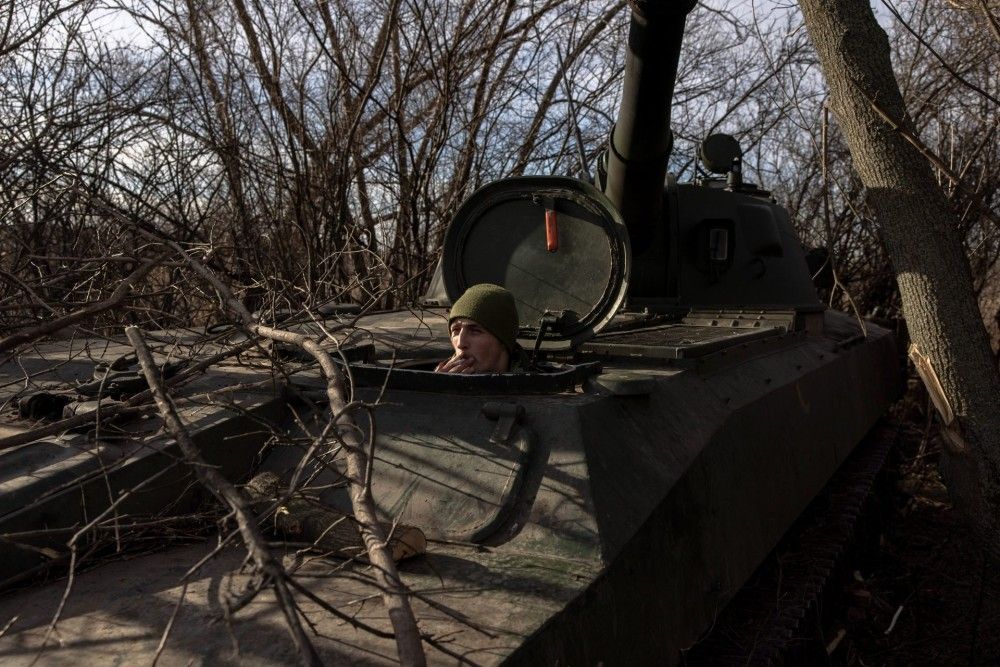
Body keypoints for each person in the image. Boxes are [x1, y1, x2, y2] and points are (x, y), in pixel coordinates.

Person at [435, 283, 521, 374]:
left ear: (503, 340)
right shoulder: (440, 378)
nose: (461, 343)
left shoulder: (531, 385)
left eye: (475, 331)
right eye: (456, 330)